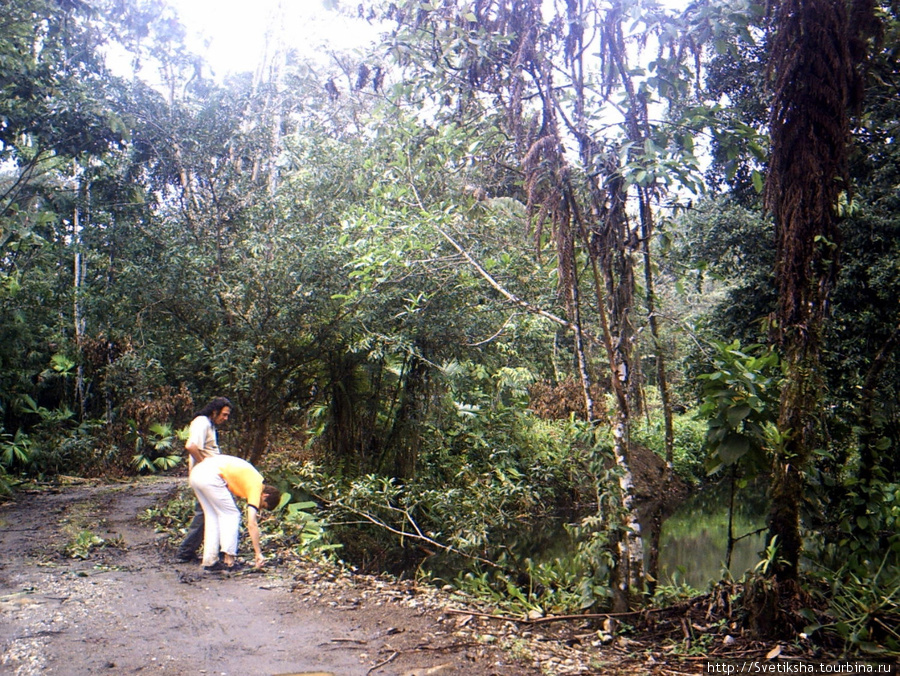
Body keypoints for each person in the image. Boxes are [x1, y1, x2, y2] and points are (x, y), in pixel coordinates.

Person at [189, 453, 281, 570]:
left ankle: (209, 561)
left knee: (213, 516)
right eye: (262, 505)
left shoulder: (252, 480)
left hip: (197, 473)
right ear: (265, 495)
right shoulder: (256, 486)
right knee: (232, 514)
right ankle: (229, 560)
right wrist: (258, 553)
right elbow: (251, 523)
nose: (259, 508)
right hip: (210, 476)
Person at [175, 396, 232, 563]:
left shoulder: (209, 424)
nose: (225, 418)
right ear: (214, 412)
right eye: (224, 414)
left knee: (211, 513)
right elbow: (191, 446)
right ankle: (186, 551)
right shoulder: (202, 422)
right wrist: (205, 464)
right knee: (208, 513)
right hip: (205, 477)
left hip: (209, 476)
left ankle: (195, 551)